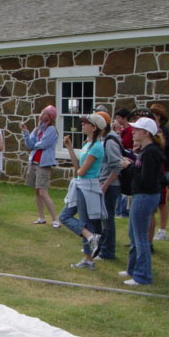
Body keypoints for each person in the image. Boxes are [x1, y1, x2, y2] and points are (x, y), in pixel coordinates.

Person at [118, 117, 165, 285]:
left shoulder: (151, 153)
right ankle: (132, 269)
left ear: (146, 133)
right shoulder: (146, 152)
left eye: (137, 130)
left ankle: (143, 276)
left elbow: (147, 179)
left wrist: (129, 167)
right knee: (133, 234)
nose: (134, 132)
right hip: (141, 195)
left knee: (140, 238)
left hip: (145, 196)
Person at [60, 113, 106, 270]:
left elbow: (81, 171)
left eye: (85, 123)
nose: (82, 125)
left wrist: (79, 171)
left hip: (88, 188)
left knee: (83, 222)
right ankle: (90, 241)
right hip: (81, 185)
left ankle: (89, 256)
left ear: (94, 128)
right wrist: (69, 148)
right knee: (67, 217)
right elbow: (77, 167)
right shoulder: (88, 144)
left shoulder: (97, 147)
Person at [20, 105, 60, 228]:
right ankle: (41, 217)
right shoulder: (37, 130)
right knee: (37, 191)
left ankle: (55, 219)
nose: (41, 115)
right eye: (41, 112)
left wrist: (33, 145)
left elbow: (43, 144)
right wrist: (26, 132)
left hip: (44, 164)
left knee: (43, 191)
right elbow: (29, 144)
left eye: (44, 113)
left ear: (50, 117)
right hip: (34, 162)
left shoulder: (51, 130)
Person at [95, 111, 122, 261]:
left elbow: (117, 166)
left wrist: (105, 185)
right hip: (105, 184)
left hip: (110, 186)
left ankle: (107, 252)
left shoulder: (110, 141)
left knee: (108, 219)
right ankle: (100, 248)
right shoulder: (104, 139)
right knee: (102, 218)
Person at [149, 103, 169, 242]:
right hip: (155, 169)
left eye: (154, 114)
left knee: (162, 202)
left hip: (162, 170)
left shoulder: (164, 132)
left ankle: (162, 230)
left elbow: (162, 148)